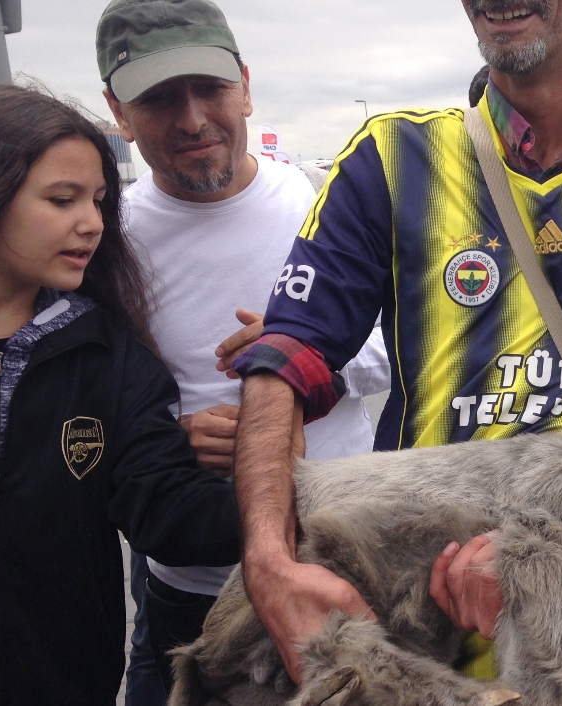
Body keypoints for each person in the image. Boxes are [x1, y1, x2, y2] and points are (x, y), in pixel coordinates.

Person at [222, 1, 562, 704]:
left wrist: (538, 574)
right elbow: (283, 359)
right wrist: (267, 563)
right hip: (415, 646)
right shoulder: (389, 157)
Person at [94, 0, 390, 698]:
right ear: (118, 111)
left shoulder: (318, 203)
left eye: (211, 90)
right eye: (160, 99)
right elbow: (86, 404)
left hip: (338, 558)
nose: (193, 119)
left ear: (247, 86)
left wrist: (307, 357)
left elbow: (398, 346)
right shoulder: (107, 244)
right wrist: (166, 442)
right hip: (193, 586)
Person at [0, 83, 241, 705]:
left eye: (99, 201)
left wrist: (301, 502)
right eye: (62, 199)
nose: (91, 223)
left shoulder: (107, 355)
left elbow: (168, 513)